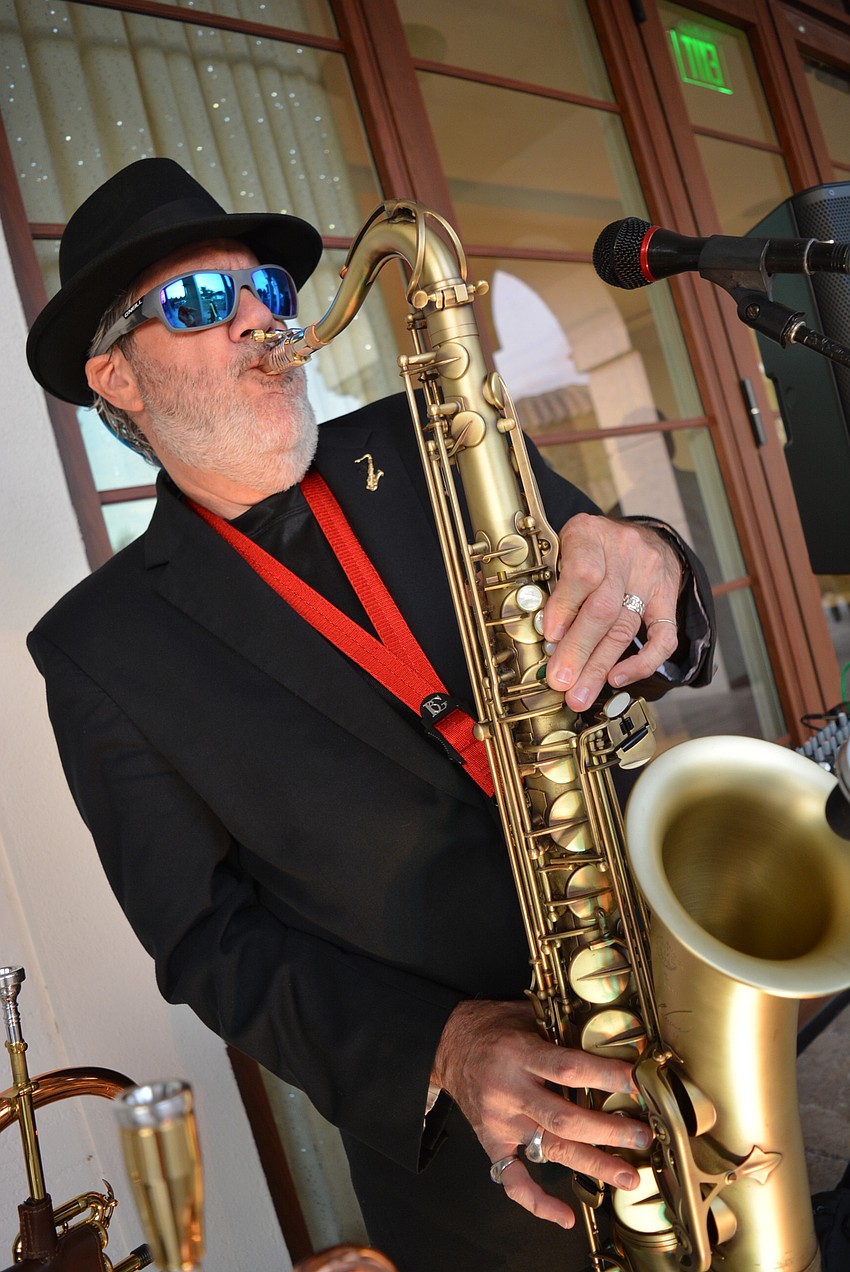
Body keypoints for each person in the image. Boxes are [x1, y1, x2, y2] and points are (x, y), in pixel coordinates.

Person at [25, 159, 715, 1272]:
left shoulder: (439, 435)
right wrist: (443, 1048)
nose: (259, 319)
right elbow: (207, 944)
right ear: (117, 376)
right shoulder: (99, 648)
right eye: (198, 301)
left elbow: (639, 624)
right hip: (487, 1165)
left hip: (685, 1000)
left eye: (267, 289)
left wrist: (654, 559)